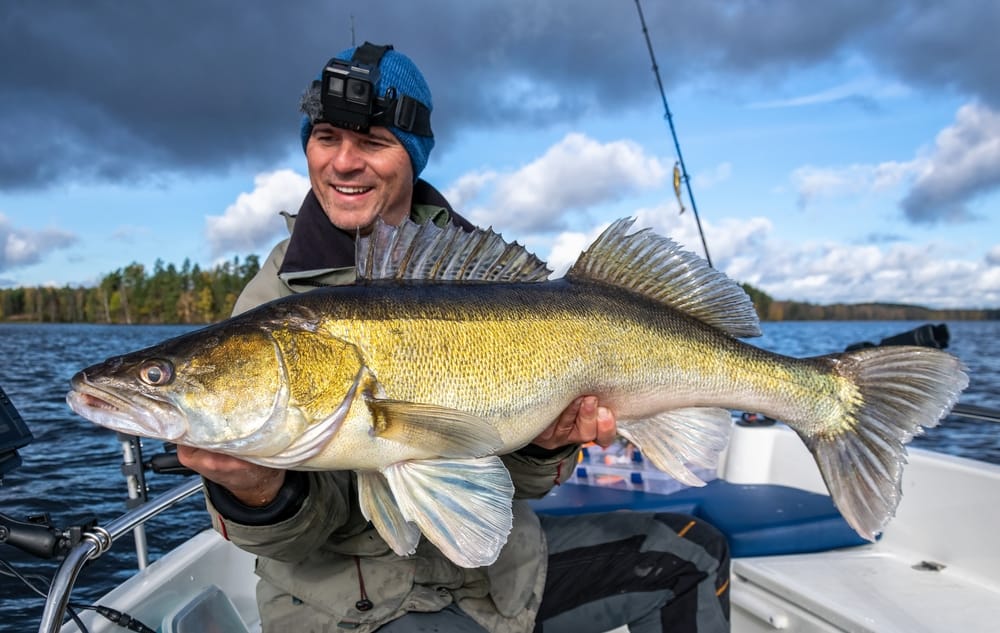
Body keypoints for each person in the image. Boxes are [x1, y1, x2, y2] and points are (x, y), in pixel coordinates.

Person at [178, 42, 730, 633]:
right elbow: (296, 542)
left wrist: (545, 445)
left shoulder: (476, 275)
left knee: (693, 553)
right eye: (326, 137)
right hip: (355, 610)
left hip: (498, 582)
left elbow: (506, 483)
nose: (343, 163)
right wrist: (258, 493)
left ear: (412, 157)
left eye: (372, 141)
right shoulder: (274, 303)